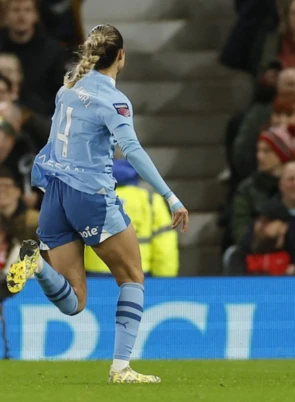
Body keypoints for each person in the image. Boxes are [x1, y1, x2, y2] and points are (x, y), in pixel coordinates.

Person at [4, 24, 189, 383]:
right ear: (121, 56)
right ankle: (121, 368)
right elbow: (131, 149)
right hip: (90, 194)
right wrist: (170, 196)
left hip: (55, 193)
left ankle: (36, 266)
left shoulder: (68, 87)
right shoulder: (114, 100)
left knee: (75, 301)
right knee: (132, 277)